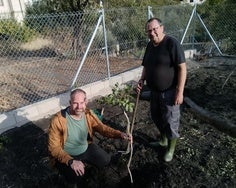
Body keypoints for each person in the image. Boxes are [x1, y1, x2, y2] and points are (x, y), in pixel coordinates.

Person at [48, 88, 132, 186]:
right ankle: (67, 178)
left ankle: (88, 169)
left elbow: (102, 128)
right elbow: (54, 148)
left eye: (81, 102)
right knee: (76, 177)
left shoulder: (88, 114)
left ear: (86, 102)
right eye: (75, 103)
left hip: (86, 147)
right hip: (67, 155)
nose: (79, 107)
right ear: (70, 102)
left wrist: (120, 134)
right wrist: (70, 161)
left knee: (105, 160)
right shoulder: (58, 120)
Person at [137, 18, 187, 162]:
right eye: (149, 30)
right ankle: (163, 140)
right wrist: (141, 80)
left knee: (170, 122)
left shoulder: (172, 43)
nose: (152, 33)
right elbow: (146, 66)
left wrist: (180, 91)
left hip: (170, 91)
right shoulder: (150, 46)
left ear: (162, 28)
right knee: (156, 117)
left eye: (155, 29)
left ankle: (170, 149)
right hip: (154, 91)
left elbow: (182, 68)